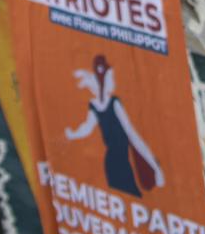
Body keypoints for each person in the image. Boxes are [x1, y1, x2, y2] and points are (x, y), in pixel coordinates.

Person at [65, 55, 164, 196]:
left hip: (113, 163)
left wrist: (72, 134)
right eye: (111, 76)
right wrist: (155, 168)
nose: (113, 80)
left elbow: (86, 129)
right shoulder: (112, 103)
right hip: (119, 164)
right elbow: (132, 135)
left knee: (124, 198)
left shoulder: (97, 105)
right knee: (129, 197)